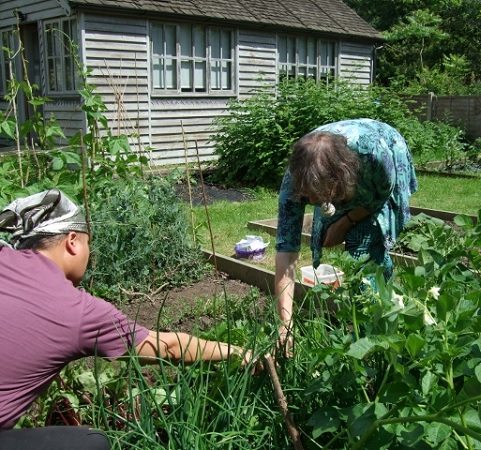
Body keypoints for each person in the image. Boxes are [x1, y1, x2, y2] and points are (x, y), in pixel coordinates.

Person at [0, 189, 252, 449]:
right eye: (89, 243)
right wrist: (240, 352)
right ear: (72, 241)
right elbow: (169, 347)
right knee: (91, 443)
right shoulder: (77, 310)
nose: (90, 253)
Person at [274, 118, 418, 352]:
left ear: (339, 179)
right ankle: (368, 320)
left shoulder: (374, 158)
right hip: (339, 166)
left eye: (316, 194)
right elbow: (286, 251)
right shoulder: (295, 180)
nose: (310, 202)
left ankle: (380, 329)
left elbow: (379, 197)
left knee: (364, 247)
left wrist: (345, 222)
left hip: (383, 152)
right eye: (306, 195)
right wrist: (285, 323)